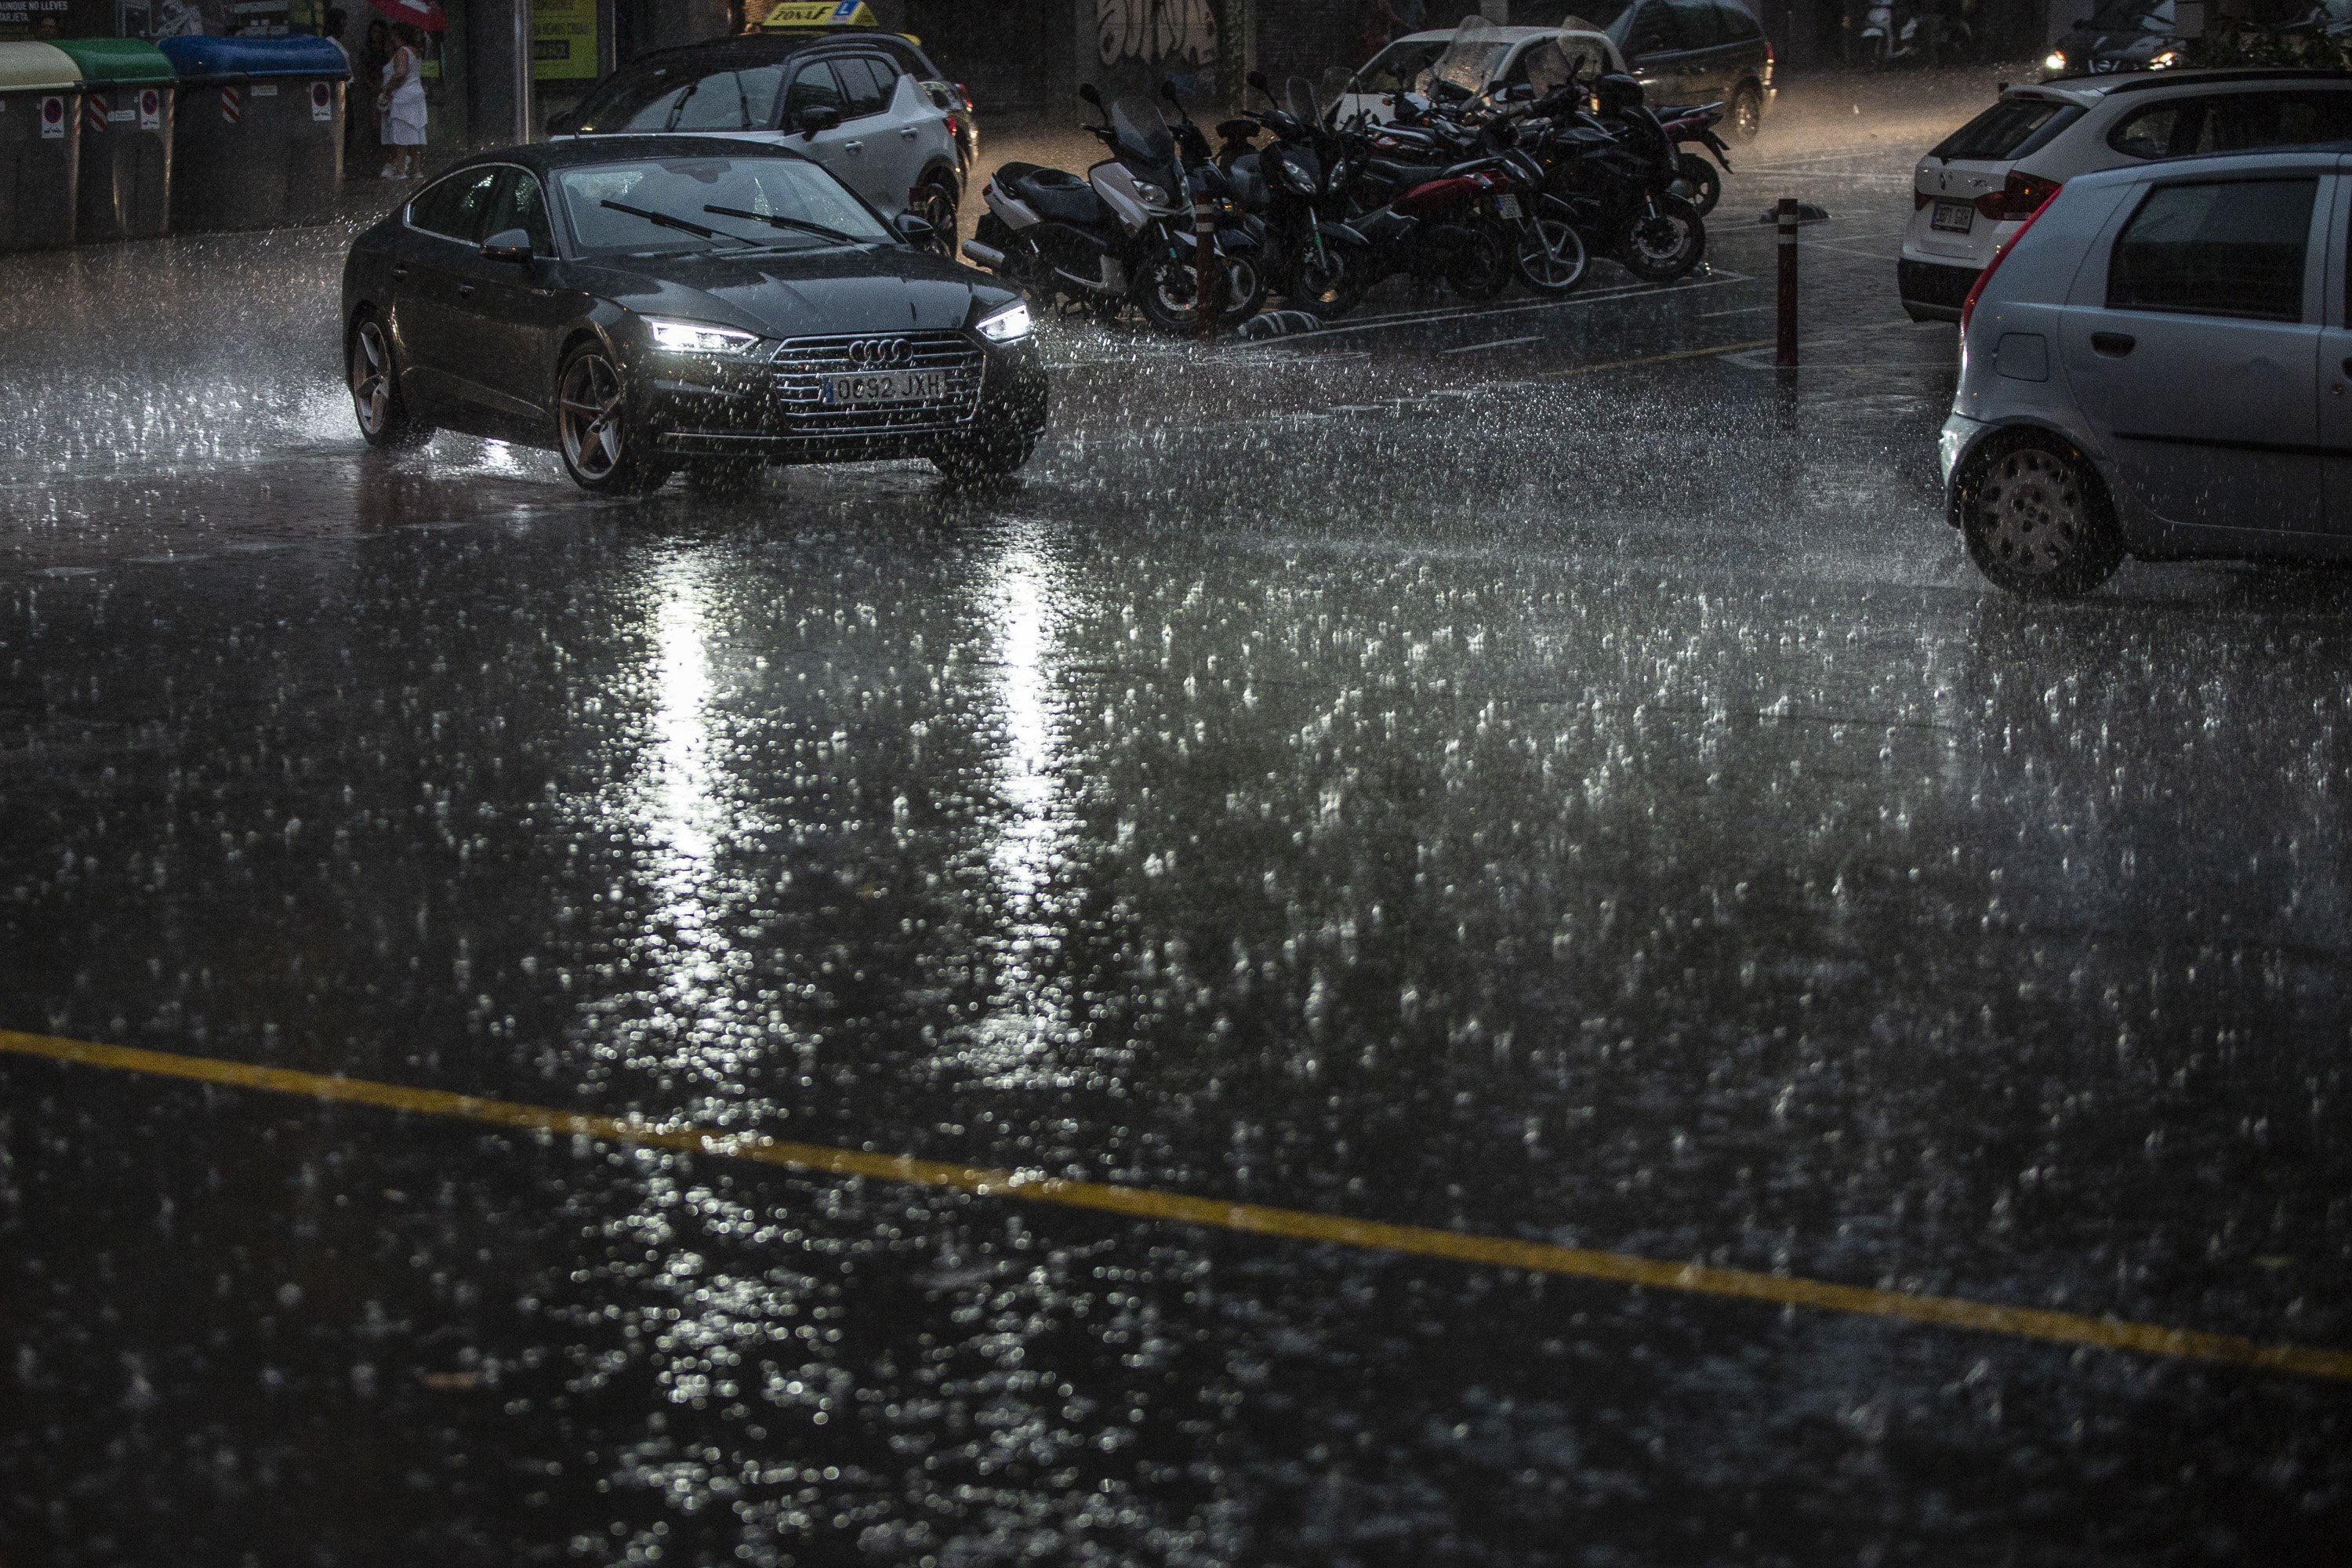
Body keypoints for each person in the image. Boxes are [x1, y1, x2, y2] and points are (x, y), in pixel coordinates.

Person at [379, 23, 427, 181]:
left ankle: (400, 170)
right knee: (416, 135)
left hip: (403, 98)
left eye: (393, 35)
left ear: (397, 35)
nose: (392, 39)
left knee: (401, 137)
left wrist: (387, 88)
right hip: (417, 97)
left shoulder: (401, 52)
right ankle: (417, 169)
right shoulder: (416, 52)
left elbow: (400, 73)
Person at [358, 16, 391, 177]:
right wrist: (374, 88)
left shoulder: (388, 50)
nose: (376, 35)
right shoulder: (367, 51)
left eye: (379, 32)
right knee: (376, 126)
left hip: (387, 88)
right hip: (375, 89)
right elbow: (364, 74)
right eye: (373, 32)